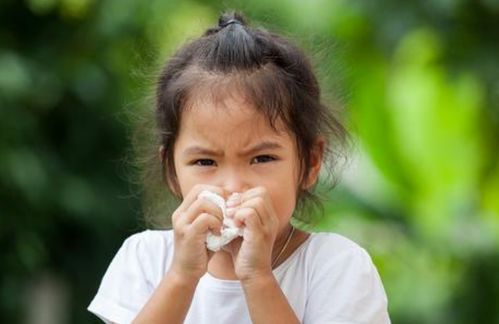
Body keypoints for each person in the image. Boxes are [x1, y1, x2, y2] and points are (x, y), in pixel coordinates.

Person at [87, 11, 390, 324]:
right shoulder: (146, 259)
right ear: (172, 171)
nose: (233, 185)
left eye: (262, 158)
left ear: (310, 163)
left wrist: (258, 277)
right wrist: (182, 277)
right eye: (205, 162)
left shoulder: (337, 267)